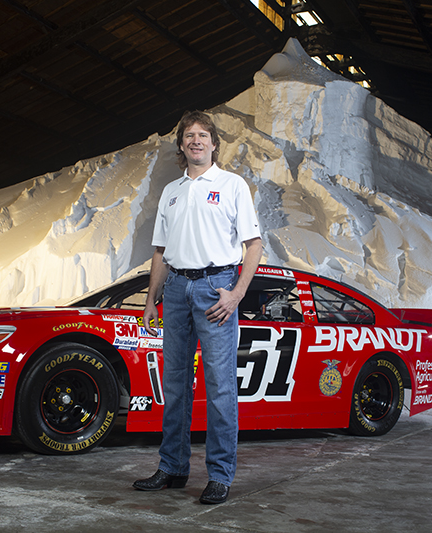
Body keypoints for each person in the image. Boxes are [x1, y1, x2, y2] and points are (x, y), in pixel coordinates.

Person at [133, 110, 262, 505]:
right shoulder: (172, 191)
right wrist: (152, 300)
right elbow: (160, 251)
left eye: (203, 135)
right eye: (189, 135)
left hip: (215, 290)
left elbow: (253, 245)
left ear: (214, 143)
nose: (196, 141)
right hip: (175, 291)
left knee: (220, 386)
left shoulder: (232, 184)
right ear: (182, 145)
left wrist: (236, 293)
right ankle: (172, 467)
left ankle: (220, 475)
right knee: (175, 385)